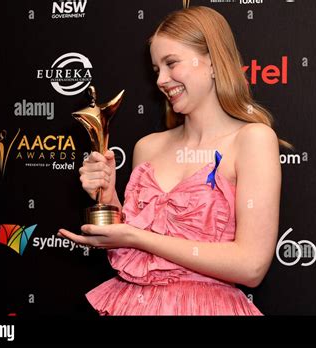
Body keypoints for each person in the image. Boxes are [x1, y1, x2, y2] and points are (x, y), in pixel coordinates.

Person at [58, 6, 284, 315]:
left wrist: (137, 236)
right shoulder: (148, 148)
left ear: (214, 62)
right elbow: (134, 256)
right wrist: (107, 197)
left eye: (171, 63)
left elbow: (251, 266)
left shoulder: (253, 140)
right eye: (156, 70)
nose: (162, 80)